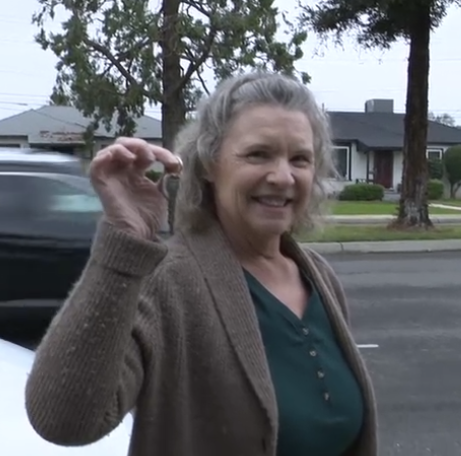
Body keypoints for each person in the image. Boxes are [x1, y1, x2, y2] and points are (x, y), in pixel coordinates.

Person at [24, 71, 378, 456]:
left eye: (300, 159)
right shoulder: (169, 282)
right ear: (209, 163)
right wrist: (121, 244)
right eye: (258, 154)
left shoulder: (317, 275)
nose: (282, 176)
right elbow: (63, 420)